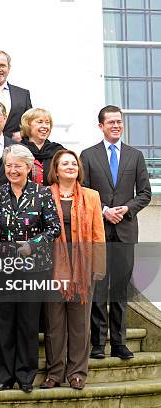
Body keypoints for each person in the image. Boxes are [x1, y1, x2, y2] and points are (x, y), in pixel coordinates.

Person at [80, 105, 151, 360]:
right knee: (98, 290)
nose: (116, 126)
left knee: (120, 291)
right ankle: (98, 345)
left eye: (119, 122)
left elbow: (145, 193)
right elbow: (83, 193)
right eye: (110, 122)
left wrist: (126, 209)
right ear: (100, 126)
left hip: (125, 231)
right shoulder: (88, 156)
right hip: (98, 232)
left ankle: (119, 343)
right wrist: (104, 210)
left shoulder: (135, 156)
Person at [0, 144, 61, 393]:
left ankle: (26, 376)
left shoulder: (42, 194)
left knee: (28, 323)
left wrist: (33, 244)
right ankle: (4, 377)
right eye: (8, 165)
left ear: (29, 168)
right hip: (3, 268)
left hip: (34, 268)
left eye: (17, 165)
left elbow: (54, 229)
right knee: (3, 323)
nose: (12, 170)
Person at [41, 149, 106, 391]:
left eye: (74, 163)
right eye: (65, 163)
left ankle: (77, 372)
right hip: (52, 268)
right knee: (54, 325)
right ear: (55, 170)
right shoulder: (45, 194)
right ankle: (54, 372)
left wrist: (99, 266)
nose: (71, 167)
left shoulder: (92, 196)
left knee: (80, 325)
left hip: (83, 268)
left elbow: (99, 234)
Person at [20, 108, 64, 186]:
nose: (45, 126)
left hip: (53, 196)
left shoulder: (58, 151)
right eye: (40, 122)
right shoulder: (18, 151)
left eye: (47, 123)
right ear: (28, 125)